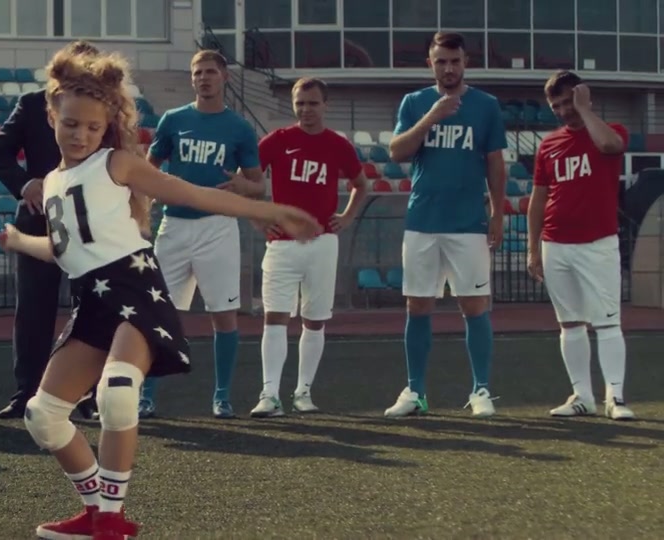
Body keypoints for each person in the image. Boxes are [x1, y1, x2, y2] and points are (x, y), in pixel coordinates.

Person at [0, 48, 320, 540]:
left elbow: (191, 194)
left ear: (106, 127)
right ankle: (95, 510)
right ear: (51, 116)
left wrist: (268, 210)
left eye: (92, 127)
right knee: (41, 416)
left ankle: (111, 519)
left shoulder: (118, 163)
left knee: (117, 393)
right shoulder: (53, 184)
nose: (81, 134)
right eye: (71, 124)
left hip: (136, 295)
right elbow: (63, 252)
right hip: (91, 305)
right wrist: (18, 240)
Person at [384, 32, 506, 419]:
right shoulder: (415, 102)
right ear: (430, 64)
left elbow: (495, 163)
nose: (448, 68)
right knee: (418, 305)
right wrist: (432, 116)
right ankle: (415, 390)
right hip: (423, 219)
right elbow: (397, 152)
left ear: (465, 62)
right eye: (441, 61)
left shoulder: (486, 105)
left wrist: (498, 213)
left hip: (468, 222)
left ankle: (481, 389)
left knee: (474, 305)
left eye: (454, 61)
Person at [139, 49, 264, 419]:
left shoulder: (239, 128)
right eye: (197, 72)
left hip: (218, 227)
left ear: (224, 77)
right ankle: (146, 395)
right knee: (160, 313)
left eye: (210, 71)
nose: (203, 78)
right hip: (174, 226)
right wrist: (151, 197)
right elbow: (148, 169)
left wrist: (243, 185)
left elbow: (258, 185)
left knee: (223, 314)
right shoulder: (174, 120)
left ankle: (222, 396)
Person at [0, 40, 100, 421]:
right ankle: (27, 394)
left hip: (90, 224)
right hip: (38, 222)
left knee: (92, 309)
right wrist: (25, 184)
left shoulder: (106, 109)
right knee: (33, 310)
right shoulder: (32, 104)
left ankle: (87, 395)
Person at [251, 77, 369, 417]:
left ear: (325, 105)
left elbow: (360, 184)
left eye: (313, 103)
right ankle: (269, 394)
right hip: (282, 245)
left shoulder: (338, 144)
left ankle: (303, 392)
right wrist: (259, 219)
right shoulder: (278, 140)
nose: (306, 109)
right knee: (275, 317)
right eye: (300, 103)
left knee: (314, 320)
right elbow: (248, 180)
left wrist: (346, 216)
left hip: (322, 243)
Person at [528, 71, 634, 421]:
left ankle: (615, 397)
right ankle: (582, 396)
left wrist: (585, 109)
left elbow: (610, 147)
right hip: (556, 245)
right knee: (570, 324)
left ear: (581, 96)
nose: (562, 111)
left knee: (607, 322)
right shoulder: (548, 145)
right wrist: (533, 248)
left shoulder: (611, 130)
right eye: (555, 106)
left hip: (598, 243)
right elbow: (538, 199)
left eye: (567, 102)